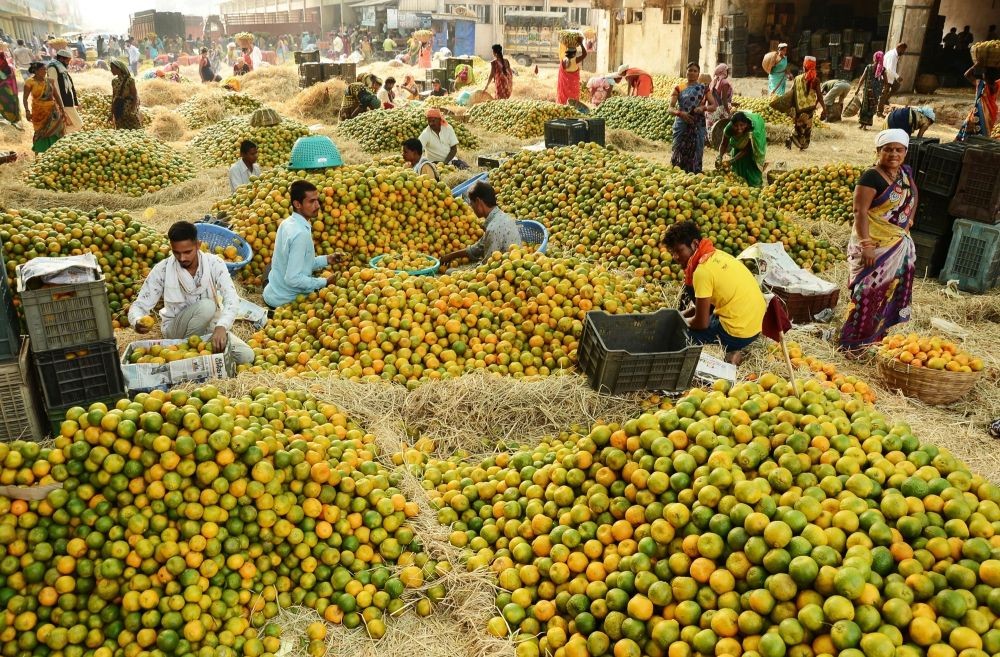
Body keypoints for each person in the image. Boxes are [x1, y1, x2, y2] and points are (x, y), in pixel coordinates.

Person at [128, 221, 254, 365]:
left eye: (187, 252)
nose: (182, 258)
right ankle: (190, 357)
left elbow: (231, 299)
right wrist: (136, 320)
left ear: (198, 245)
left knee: (246, 356)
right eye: (177, 252)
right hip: (177, 330)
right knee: (207, 307)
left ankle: (198, 357)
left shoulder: (214, 264)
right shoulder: (162, 269)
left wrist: (222, 326)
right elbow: (139, 306)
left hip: (209, 328)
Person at [839, 129, 917, 354]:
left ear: (905, 152)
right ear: (878, 151)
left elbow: (913, 195)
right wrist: (866, 244)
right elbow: (859, 211)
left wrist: (909, 218)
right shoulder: (871, 176)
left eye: (898, 149)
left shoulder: (905, 174)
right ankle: (852, 342)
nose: (893, 154)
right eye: (888, 149)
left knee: (888, 291)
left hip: (896, 244)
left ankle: (877, 337)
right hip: (874, 246)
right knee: (866, 292)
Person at [663, 220, 765, 365]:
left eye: (679, 251)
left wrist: (678, 323)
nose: (676, 257)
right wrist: (676, 315)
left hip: (738, 333)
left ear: (694, 244)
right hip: (756, 326)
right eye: (672, 253)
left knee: (680, 335)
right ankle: (733, 348)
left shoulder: (701, 272)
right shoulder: (717, 254)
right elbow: (704, 308)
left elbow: (701, 323)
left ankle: (730, 352)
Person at [263, 180, 343, 308]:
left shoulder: (287, 223)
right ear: (297, 204)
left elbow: (300, 262)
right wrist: (324, 282)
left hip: (271, 293)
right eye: (311, 201)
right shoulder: (300, 234)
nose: (317, 205)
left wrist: (327, 259)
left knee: (269, 267)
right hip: (285, 302)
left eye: (317, 200)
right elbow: (293, 278)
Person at [439, 181, 521, 270]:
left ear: (478, 202)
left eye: (471, 203)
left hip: (506, 272)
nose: (471, 207)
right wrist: (451, 256)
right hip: (511, 266)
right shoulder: (502, 217)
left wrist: (469, 271)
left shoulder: (493, 228)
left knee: (450, 272)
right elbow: (478, 248)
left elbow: (490, 265)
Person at [670, 62, 716, 173]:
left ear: (698, 73)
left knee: (697, 147)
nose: (692, 73)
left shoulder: (703, 88)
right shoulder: (678, 88)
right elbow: (670, 108)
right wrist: (680, 113)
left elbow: (713, 105)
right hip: (682, 122)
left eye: (695, 71)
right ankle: (677, 170)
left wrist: (703, 108)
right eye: (690, 70)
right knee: (678, 146)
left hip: (697, 122)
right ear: (686, 71)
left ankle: (695, 171)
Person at [717, 111, 766, 187]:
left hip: (751, 149)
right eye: (736, 125)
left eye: (742, 125)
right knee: (738, 173)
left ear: (746, 124)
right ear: (732, 125)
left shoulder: (751, 130)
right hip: (738, 148)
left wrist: (732, 160)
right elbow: (723, 144)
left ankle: (754, 187)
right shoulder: (728, 129)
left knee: (752, 174)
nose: (739, 128)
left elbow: (746, 149)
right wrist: (719, 156)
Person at [786, 56, 825, 150]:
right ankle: (801, 145)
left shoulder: (797, 78)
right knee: (807, 127)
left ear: (804, 67)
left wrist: (787, 105)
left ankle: (793, 139)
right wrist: (824, 108)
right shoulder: (815, 80)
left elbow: (791, 92)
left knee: (799, 125)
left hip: (798, 107)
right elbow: (819, 96)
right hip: (810, 109)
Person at [23, 62, 62, 153]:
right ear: (35, 71)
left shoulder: (50, 81)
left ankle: (54, 151)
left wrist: (62, 108)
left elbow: (56, 95)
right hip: (39, 112)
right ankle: (39, 152)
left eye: (45, 69)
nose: (45, 71)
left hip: (52, 111)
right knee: (40, 133)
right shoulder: (29, 82)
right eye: (42, 69)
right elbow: (25, 98)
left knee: (55, 130)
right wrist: (27, 111)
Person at [957, 66, 1000, 141]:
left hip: (977, 115)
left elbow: (967, 74)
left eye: (984, 73)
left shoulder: (981, 84)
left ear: (985, 76)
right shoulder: (998, 84)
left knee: (969, 136)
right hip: (991, 115)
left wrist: (976, 65)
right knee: (985, 136)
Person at [47, 49, 80, 133]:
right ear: (61, 59)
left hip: (67, 102)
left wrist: (75, 101)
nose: (68, 63)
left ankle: (61, 135)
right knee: (78, 124)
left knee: (67, 124)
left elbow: (69, 86)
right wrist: (58, 104)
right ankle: (59, 134)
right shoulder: (53, 68)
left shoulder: (61, 69)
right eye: (67, 61)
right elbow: (52, 86)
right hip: (63, 102)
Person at [108, 59, 141, 129]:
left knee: (134, 128)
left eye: (112, 68)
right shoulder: (114, 81)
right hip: (118, 108)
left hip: (128, 107)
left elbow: (134, 95)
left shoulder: (130, 80)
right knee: (120, 129)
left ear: (119, 68)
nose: (111, 70)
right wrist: (112, 112)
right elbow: (114, 97)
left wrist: (133, 109)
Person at [856, 51, 884, 131]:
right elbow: (885, 81)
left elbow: (862, 79)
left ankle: (862, 124)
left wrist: (858, 89)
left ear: (875, 58)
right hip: (875, 92)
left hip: (867, 90)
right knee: (871, 107)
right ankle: (865, 125)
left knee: (865, 106)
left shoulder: (868, 67)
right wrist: (882, 89)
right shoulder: (882, 69)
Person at [878, 43, 906, 117]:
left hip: (890, 76)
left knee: (896, 86)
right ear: (900, 48)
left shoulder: (895, 54)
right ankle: (879, 112)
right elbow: (889, 69)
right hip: (886, 77)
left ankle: (886, 100)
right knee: (884, 94)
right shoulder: (892, 55)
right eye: (903, 50)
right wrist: (897, 76)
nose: (903, 52)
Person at [706, 63, 734, 133]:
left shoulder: (714, 81)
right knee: (721, 131)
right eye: (727, 71)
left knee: (712, 132)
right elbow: (724, 100)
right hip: (720, 111)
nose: (728, 73)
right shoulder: (724, 82)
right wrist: (729, 113)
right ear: (723, 71)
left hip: (712, 110)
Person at [0, 54, 21, 128]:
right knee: (13, 104)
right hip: (12, 90)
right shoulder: (9, 67)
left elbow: (3, 77)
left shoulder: (3, 69)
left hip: (4, 92)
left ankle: (11, 120)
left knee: (6, 106)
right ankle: (15, 119)